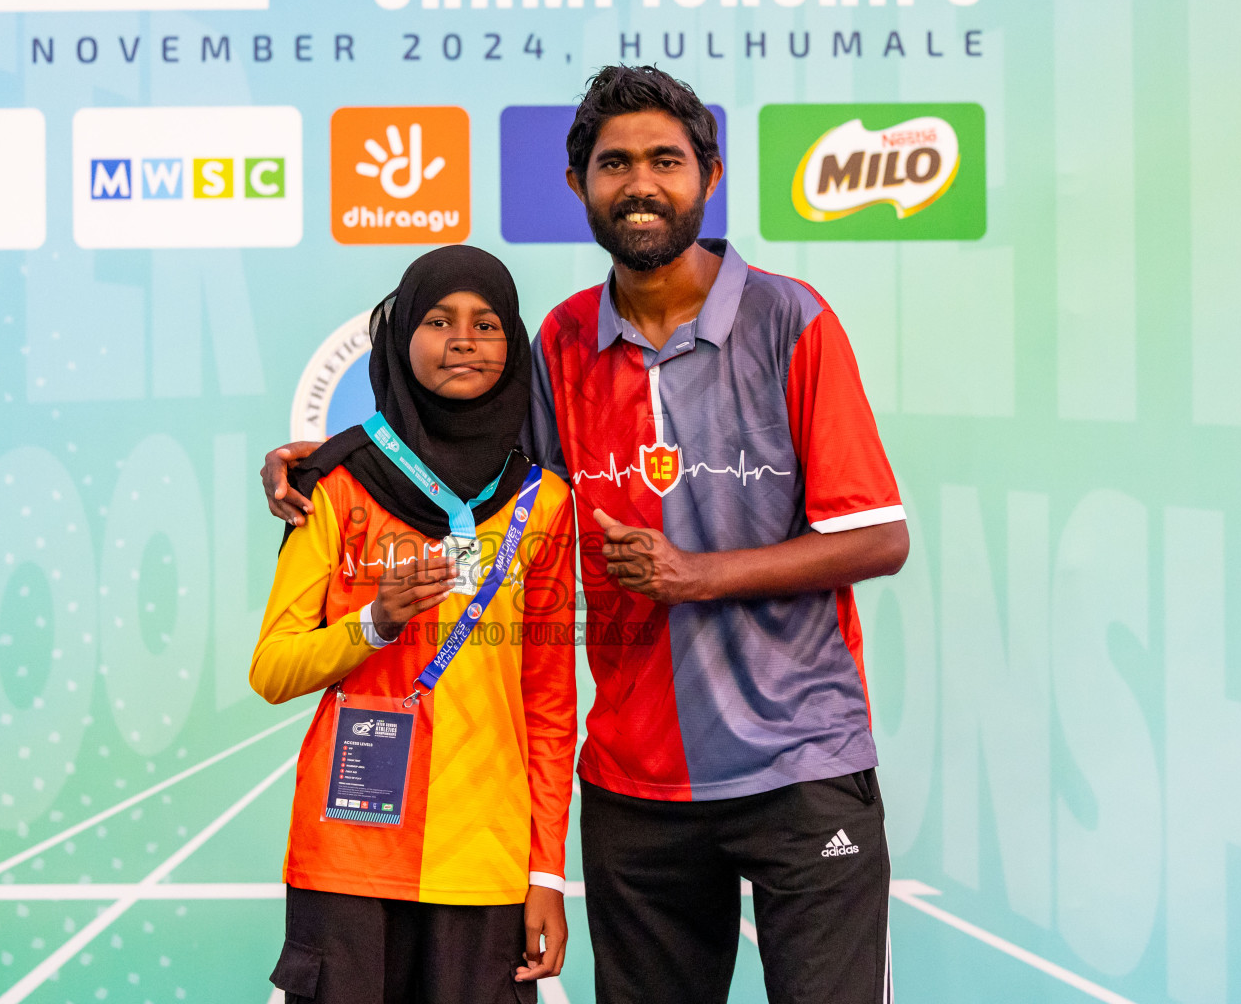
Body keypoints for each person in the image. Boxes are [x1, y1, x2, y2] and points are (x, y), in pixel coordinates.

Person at [264, 66, 908, 1004]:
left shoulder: (790, 320)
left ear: (709, 176)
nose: (639, 183)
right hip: (634, 788)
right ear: (579, 187)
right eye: (614, 164)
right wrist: (326, 458)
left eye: (664, 160)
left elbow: (876, 536)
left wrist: (695, 575)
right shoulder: (560, 345)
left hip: (801, 765)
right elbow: (459, 461)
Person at [250, 245, 577, 1004]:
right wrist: (374, 620)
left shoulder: (544, 503)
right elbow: (271, 670)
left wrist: (545, 872)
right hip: (350, 854)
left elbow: (550, 708)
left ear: (513, 344)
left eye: (486, 323)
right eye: (438, 319)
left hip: (484, 861)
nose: (463, 338)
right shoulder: (333, 483)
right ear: (400, 341)